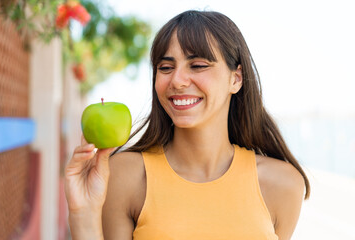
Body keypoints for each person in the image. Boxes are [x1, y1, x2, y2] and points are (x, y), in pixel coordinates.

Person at [65, 10, 310, 240]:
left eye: (198, 65)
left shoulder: (283, 185)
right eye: (166, 68)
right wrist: (83, 214)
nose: (177, 81)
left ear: (235, 79)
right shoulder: (126, 175)